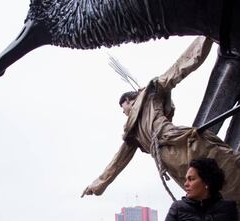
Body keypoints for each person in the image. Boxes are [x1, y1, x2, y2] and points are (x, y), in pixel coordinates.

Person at [81, 36, 240, 210]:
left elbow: (179, 69)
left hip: (180, 147)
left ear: (129, 100)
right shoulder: (133, 130)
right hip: (176, 158)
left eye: (123, 107)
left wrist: (205, 39)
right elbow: (118, 162)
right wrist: (98, 185)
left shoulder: (150, 94)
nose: (124, 112)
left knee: (223, 172)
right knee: (217, 184)